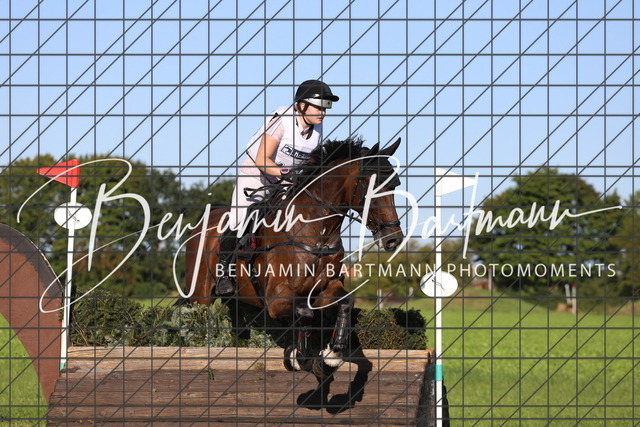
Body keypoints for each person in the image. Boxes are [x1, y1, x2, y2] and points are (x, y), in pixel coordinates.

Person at [215, 80, 340, 296]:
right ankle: (224, 273)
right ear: (301, 105)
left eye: (326, 107)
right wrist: (286, 174)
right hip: (256, 177)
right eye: (319, 107)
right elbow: (262, 160)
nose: (323, 112)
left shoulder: (316, 129)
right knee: (239, 220)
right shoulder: (282, 120)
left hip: (284, 182)